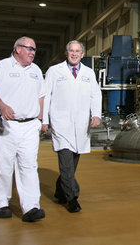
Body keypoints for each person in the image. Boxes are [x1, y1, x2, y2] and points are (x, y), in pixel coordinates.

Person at [0, 36, 46, 222]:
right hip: (5, 124)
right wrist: (1, 105)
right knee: (2, 164)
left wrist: (40, 119)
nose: (33, 52)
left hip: (29, 126)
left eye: (34, 49)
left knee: (29, 166)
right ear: (18, 49)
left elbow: (41, 95)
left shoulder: (36, 71)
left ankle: (31, 206)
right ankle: (0, 203)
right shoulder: (1, 67)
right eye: (29, 48)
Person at [42, 40, 102, 213]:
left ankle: (60, 191)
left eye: (77, 51)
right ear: (66, 53)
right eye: (71, 51)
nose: (74, 54)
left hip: (81, 124)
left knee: (72, 163)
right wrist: (44, 120)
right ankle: (72, 198)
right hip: (61, 123)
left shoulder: (88, 73)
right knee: (66, 160)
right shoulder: (54, 71)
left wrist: (96, 114)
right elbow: (46, 96)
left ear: (82, 54)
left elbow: (95, 95)